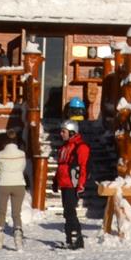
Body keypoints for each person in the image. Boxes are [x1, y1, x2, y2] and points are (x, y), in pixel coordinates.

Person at [56, 103, 92, 250]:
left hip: (72, 183)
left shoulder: (80, 147)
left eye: (63, 131)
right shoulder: (64, 147)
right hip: (64, 183)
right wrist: (55, 181)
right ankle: (69, 238)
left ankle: (77, 238)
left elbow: (83, 167)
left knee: (70, 211)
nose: (61, 134)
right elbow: (61, 166)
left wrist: (81, 185)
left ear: (71, 132)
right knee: (67, 212)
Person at [0, 134, 28, 250]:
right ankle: (18, 237)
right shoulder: (22, 154)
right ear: (16, 141)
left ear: (5, 142)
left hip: (3, 184)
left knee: (1, 212)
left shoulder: (0, 154)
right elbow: (22, 168)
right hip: (18, 184)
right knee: (16, 213)